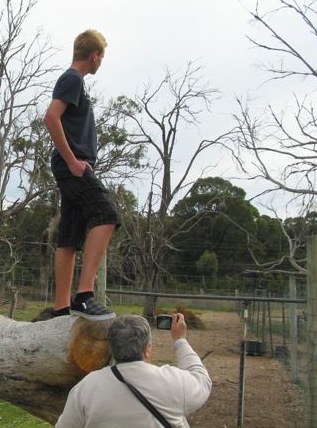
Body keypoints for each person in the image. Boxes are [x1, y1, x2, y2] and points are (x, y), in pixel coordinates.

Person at [43, 29, 120, 320]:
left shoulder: (74, 81)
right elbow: (51, 117)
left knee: (70, 237)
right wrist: (74, 161)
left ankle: (61, 308)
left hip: (70, 166)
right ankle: (85, 296)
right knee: (107, 214)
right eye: (103, 56)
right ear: (94, 55)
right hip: (71, 166)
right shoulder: (72, 78)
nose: (102, 62)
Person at [55, 314, 212, 428]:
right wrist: (180, 340)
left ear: (111, 347)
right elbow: (202, 380)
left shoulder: (86, 388)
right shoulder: (175, 383)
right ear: (147, 349)